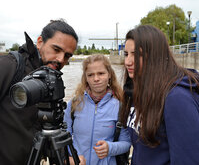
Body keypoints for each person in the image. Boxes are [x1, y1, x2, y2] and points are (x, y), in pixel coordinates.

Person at [0, 19, 84, 165]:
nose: (61, 59)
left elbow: (41, 131)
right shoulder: (9, 66)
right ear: (40, 42)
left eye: (67, 56)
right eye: (56, 49)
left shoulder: (52, 78)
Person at [120, 24, 199, 164]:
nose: (128, 61)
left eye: (137, 54)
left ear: (155, 56)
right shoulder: (137, 91)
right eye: (126, 54)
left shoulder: (177, 99)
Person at [64, 54, 131, 165]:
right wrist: (72, 158)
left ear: (109, 74)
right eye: (90, 75)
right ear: (85, 78)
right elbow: (64, 137)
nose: (96, 79)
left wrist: (110, 148)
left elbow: (126, 142)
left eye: (101, 73)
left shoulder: (120, 107)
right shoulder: (74, 105)